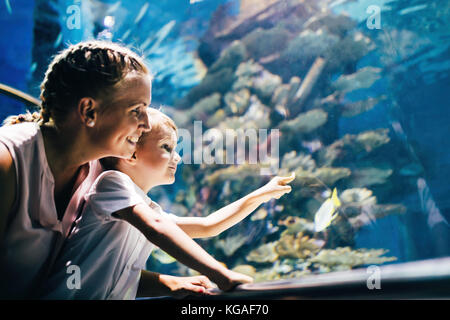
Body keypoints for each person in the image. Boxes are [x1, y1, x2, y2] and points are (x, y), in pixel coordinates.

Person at [43, 108, 295, 299]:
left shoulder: (144, 207)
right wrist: (221, 275)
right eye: (166, 147)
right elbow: (156, 228)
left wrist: (260, 195)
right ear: (130, 152)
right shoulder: (112, 183)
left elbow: (208, 226)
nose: (177, 157)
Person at [0, 40, 153, 299]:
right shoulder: (7, 162)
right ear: (88, 110)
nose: (147, 125)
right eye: (136, 110)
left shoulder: (103, 176)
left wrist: (177, 286)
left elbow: (97, 269)